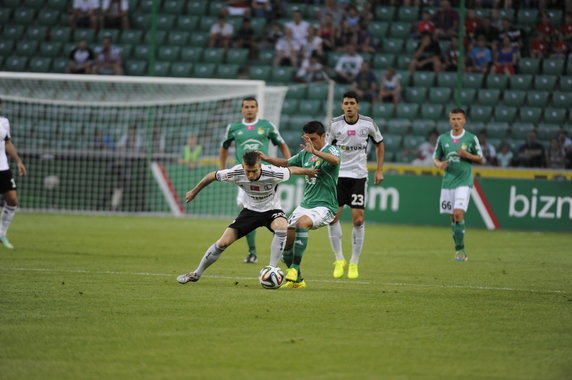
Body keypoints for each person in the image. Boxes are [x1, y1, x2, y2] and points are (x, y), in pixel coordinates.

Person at [176, 151, 317, 285]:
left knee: (282, 227)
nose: (250, 175)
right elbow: (211, 176)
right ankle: (196, 274)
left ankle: (272, 268)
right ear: (242, 167)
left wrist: (309, 171)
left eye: (254, 171)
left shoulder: (273, 172)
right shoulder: (235, 172)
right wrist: (194, 192)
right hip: (250, 212)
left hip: (272, 211)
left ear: (260, 166)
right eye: (247, 171)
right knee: (222, 243)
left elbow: (293, 170)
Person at [258, 121, 341, 288]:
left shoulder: (331, 149)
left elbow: (335, 161)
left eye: (314, 138)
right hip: (305, 204)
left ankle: (294, 268)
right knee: (284, 242)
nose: (311, 142)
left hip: (325, 206)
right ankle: (298, 280)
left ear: (324, 136)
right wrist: (267, 159)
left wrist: (315, 151)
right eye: (308, 139)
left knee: (303, 223)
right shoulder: (305, 154)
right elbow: (287, 163)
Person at [219, 97, 291, 264]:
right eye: (246, 107)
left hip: (265, 176)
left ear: (257, 109)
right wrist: (222, 169)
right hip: (243, 176)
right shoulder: (233, 127)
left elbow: (282, 143)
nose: (249, 109)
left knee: (272, 212)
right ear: (242, 109)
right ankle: (252, 252)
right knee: (247, 208)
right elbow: (224, 147)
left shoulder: (267, 125)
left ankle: (283, 250)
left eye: (252, 106)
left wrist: (289, 162)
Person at [326, 91, 384, 279]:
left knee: (358, 219)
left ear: (358, 105)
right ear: (342, 106)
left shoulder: (368, 123)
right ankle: (339, 258)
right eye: (345, 103)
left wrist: (379, 169)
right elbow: (327, 149)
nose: (349, 106)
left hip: (359, 176)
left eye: (352, 103)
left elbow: (380, 143)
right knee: (333, 217)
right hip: (339, 176)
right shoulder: (335, 124)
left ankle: (354, 262)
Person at [433, 108, 484, 261]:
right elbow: (435, 158)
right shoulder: (443, 138)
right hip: (448, 182)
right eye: (453, 119)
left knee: (458, 213)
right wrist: (439, 165)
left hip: (464, 181)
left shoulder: (470, 138)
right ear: (450, 120)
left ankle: (461, 250)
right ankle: (458, 249)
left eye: (459, 119)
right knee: (453, 219)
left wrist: (467, 155)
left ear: (464, 120)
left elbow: (480, 158)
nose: (456, 122)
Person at [0, 98, 27, 249]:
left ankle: (2, 233)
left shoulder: (4, 122)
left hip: (2, 167)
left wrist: (18, 161)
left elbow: (7, 143)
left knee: (12, 199)